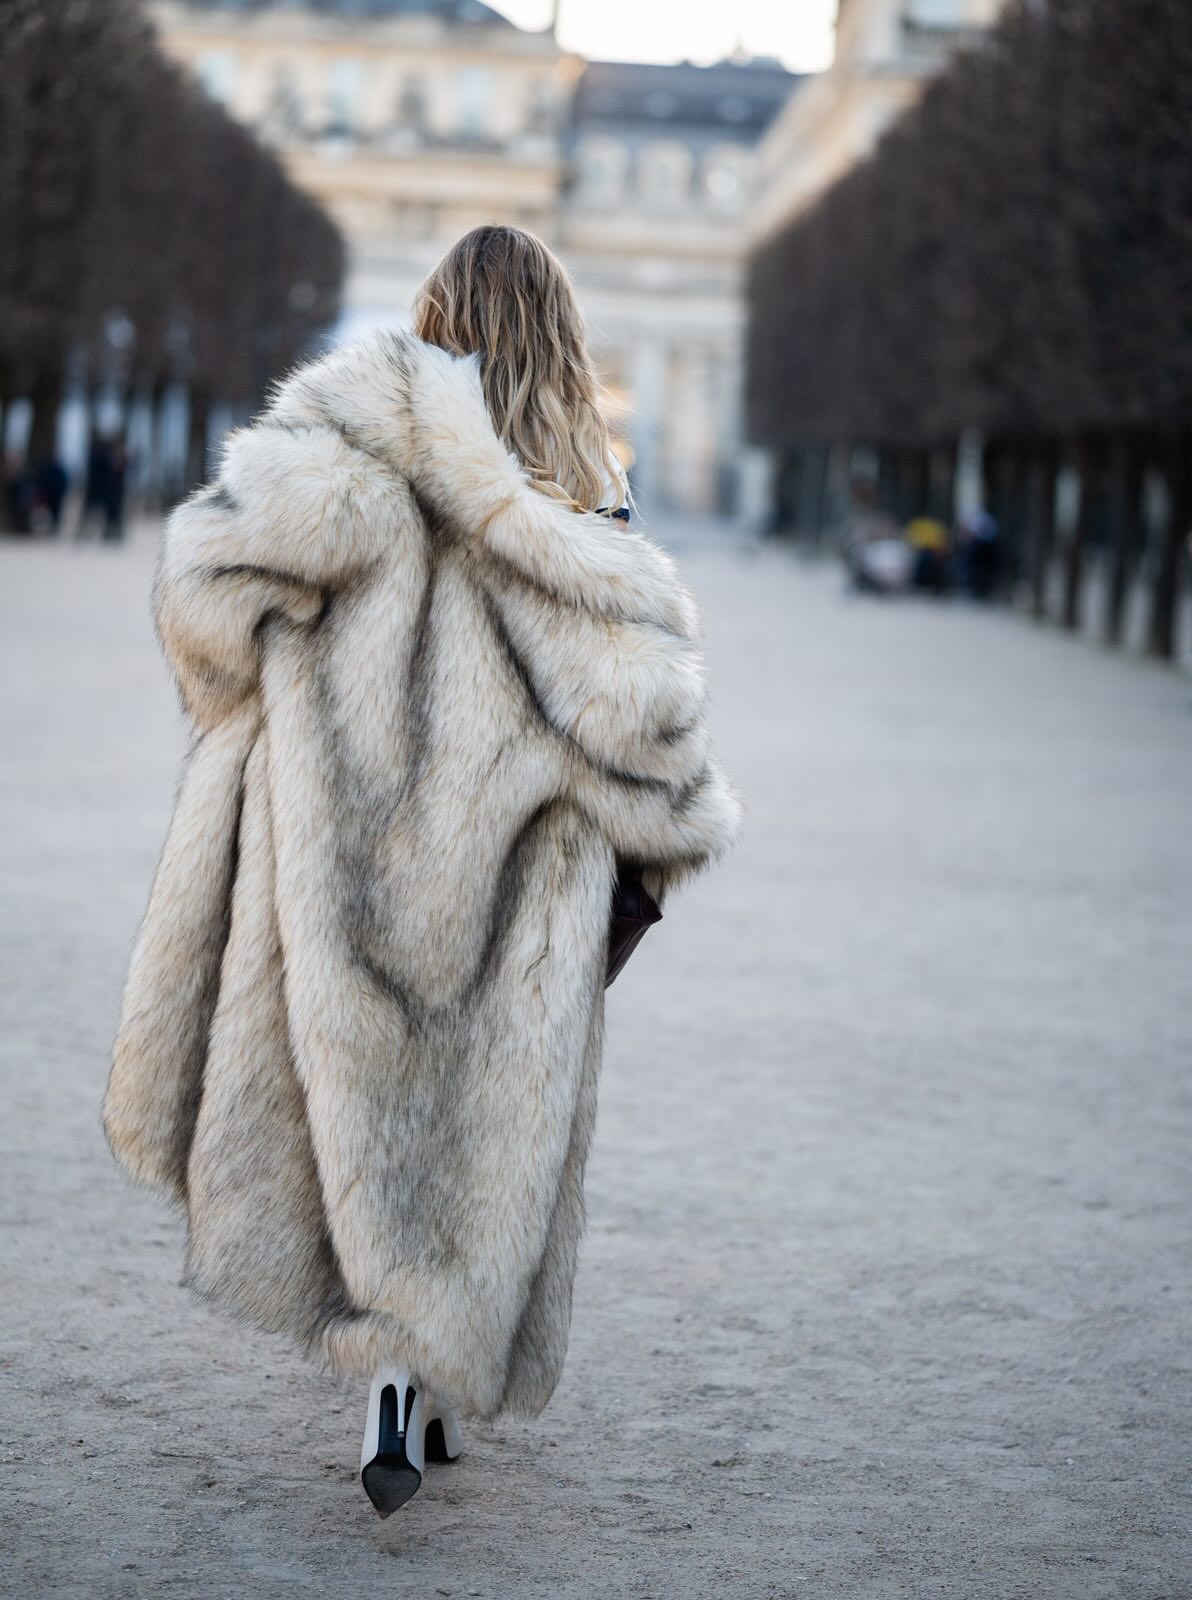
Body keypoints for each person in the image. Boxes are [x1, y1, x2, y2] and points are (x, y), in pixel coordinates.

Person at [103, 225, 742, 1519]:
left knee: (361, 1107)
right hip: (521, 870)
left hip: (346, 847)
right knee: (483, 1125)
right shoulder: (583, 493)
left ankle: (390, 1379)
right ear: (561, 338)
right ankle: (423, 1371)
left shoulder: (350, 438)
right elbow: (648, 724)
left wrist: (266, 699)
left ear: (434, 315)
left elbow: (206, 587)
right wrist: (663, 842)